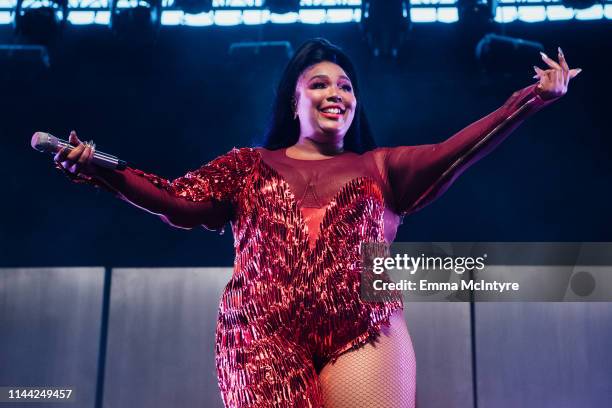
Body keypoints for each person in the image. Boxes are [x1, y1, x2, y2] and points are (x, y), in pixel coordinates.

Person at [51, 38, 579, 407]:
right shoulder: (246, 165)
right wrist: (100, 169)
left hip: (363, 329)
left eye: (346, 87)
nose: (337, 94)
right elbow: (175, 200)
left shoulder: (380, 168)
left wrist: (533, 98)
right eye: (321, 84)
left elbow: (457, 152)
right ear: (295, 100)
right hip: (262, 335)